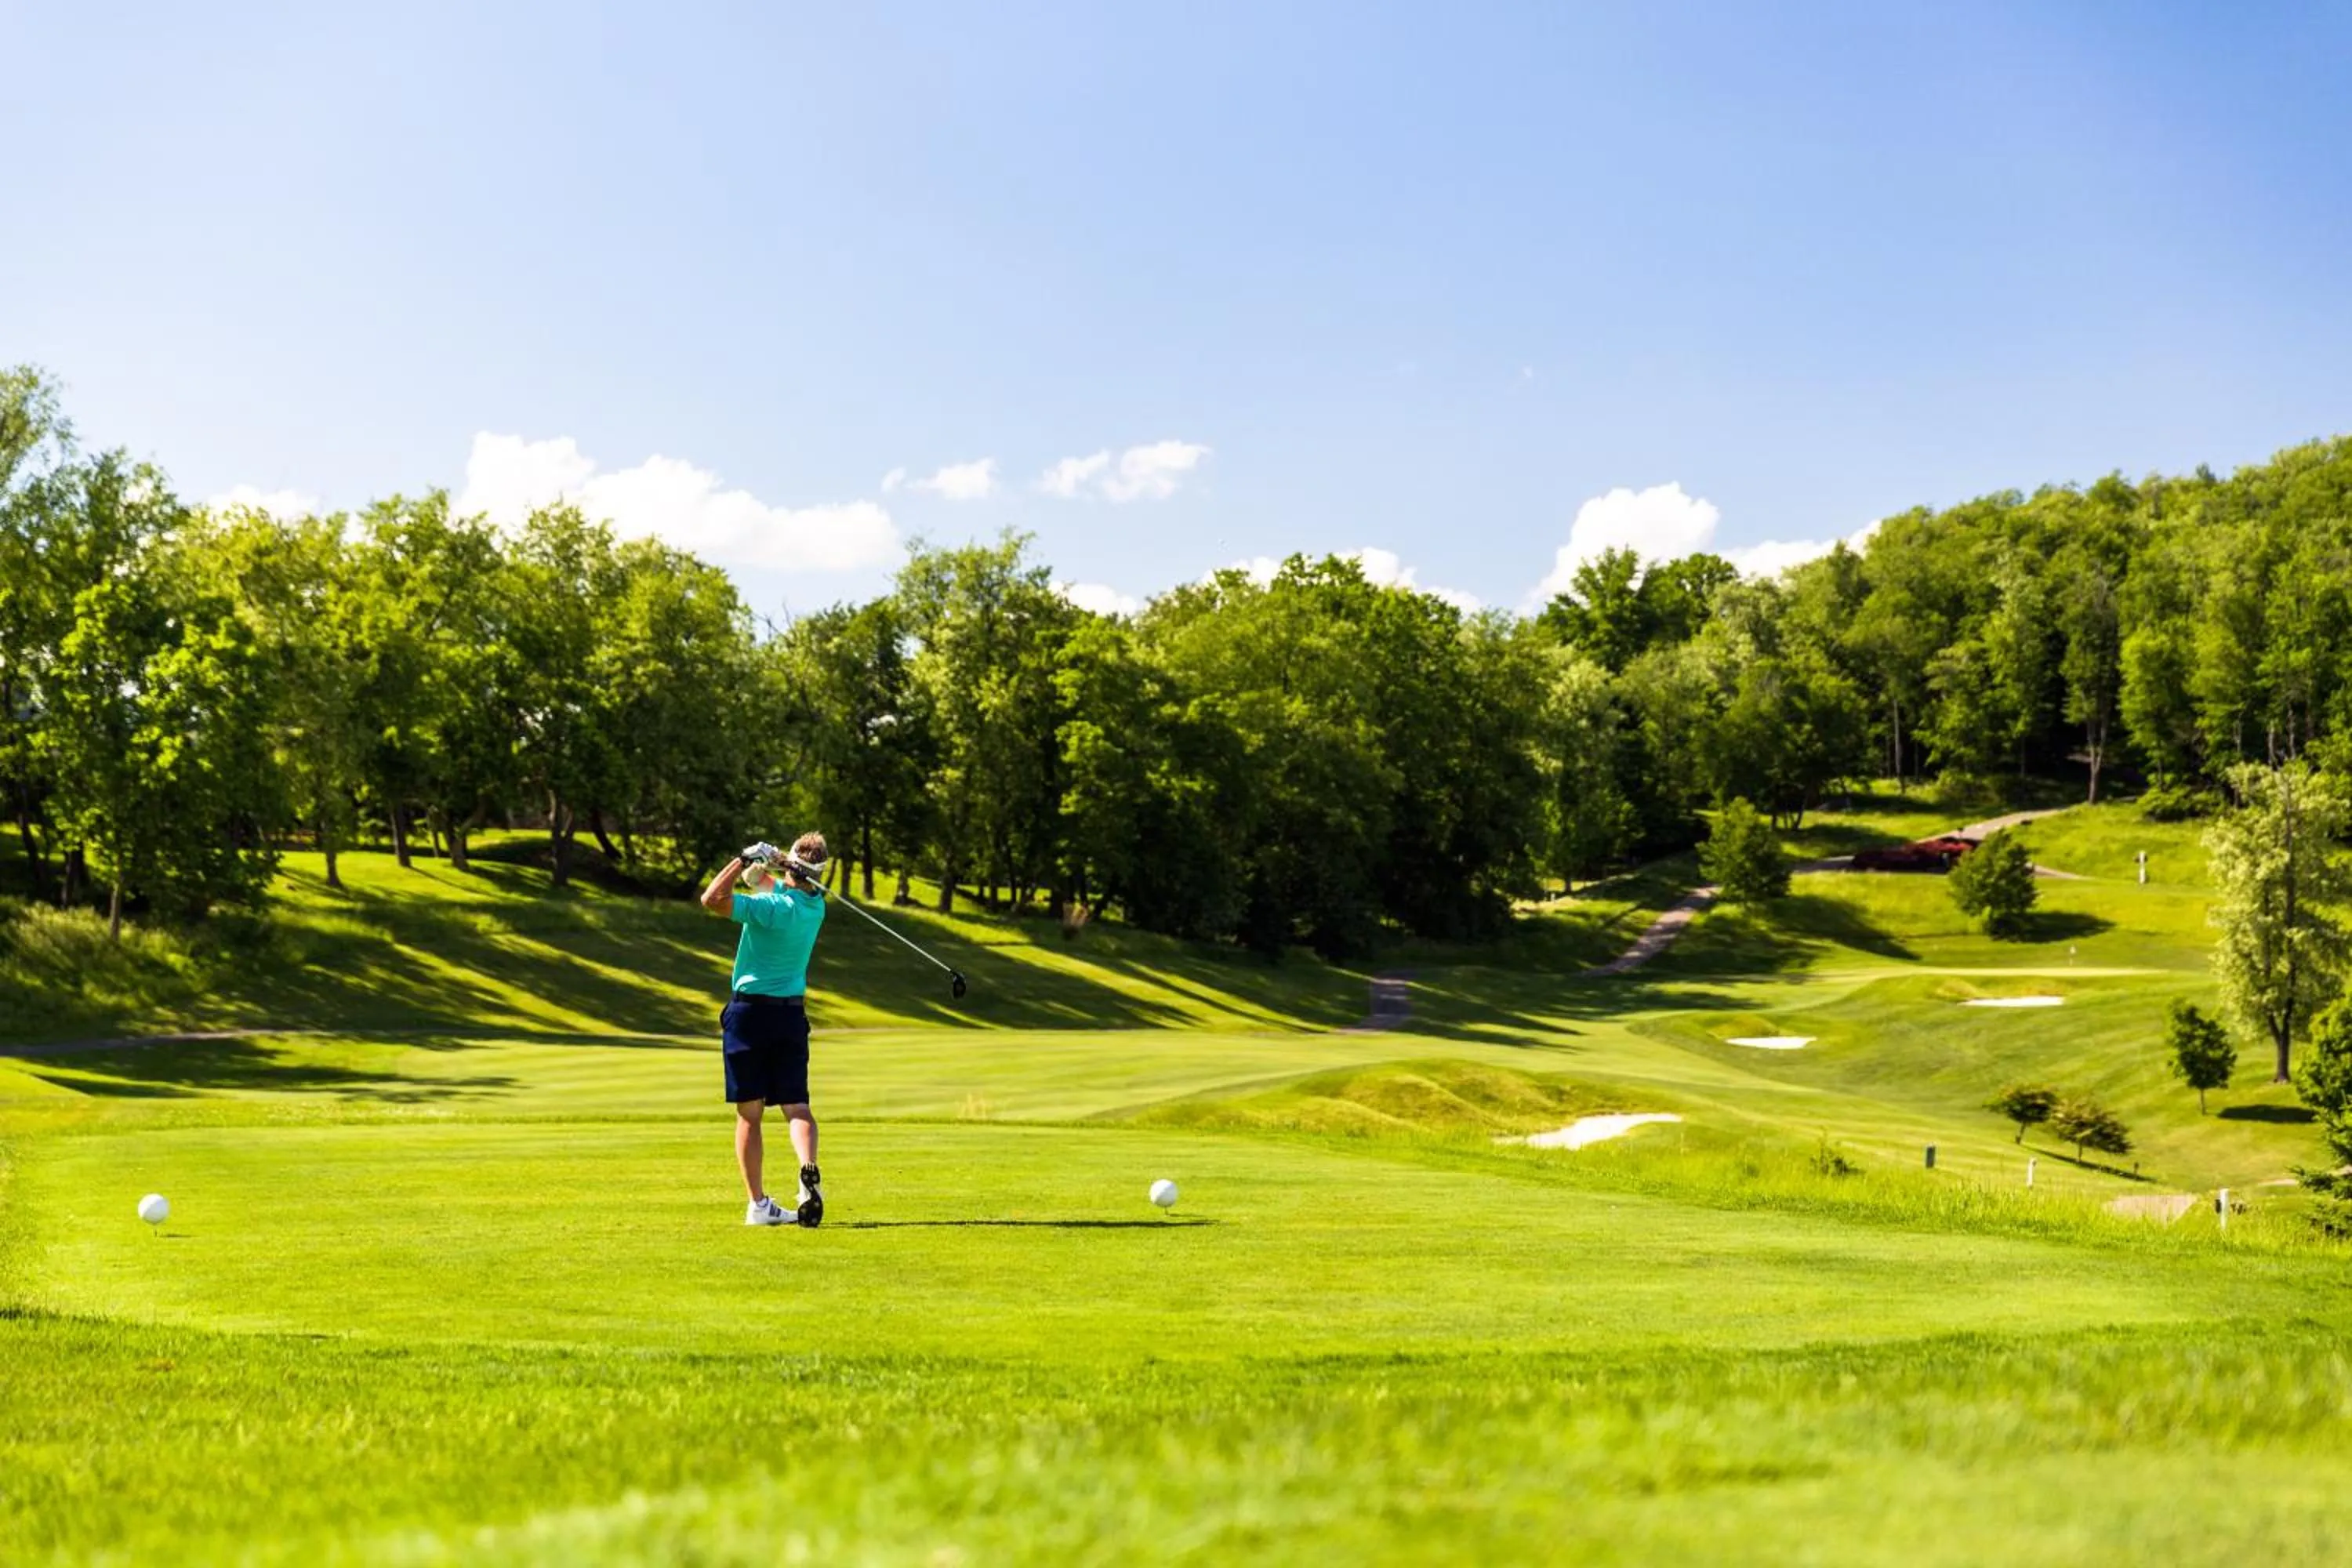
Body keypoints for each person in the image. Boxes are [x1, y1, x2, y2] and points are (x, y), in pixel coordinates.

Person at [699, 832, 829, 1227]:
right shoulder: (815, 907)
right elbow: (764, 883)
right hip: (790, 1016)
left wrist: (743, 858)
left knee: (750, 1114)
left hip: (749, 1016)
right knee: (797, 1107)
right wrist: (774, 863)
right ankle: (807, 1170)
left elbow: (711, 899)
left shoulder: (767, 908)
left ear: (793, 867)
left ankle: (758, 1204)